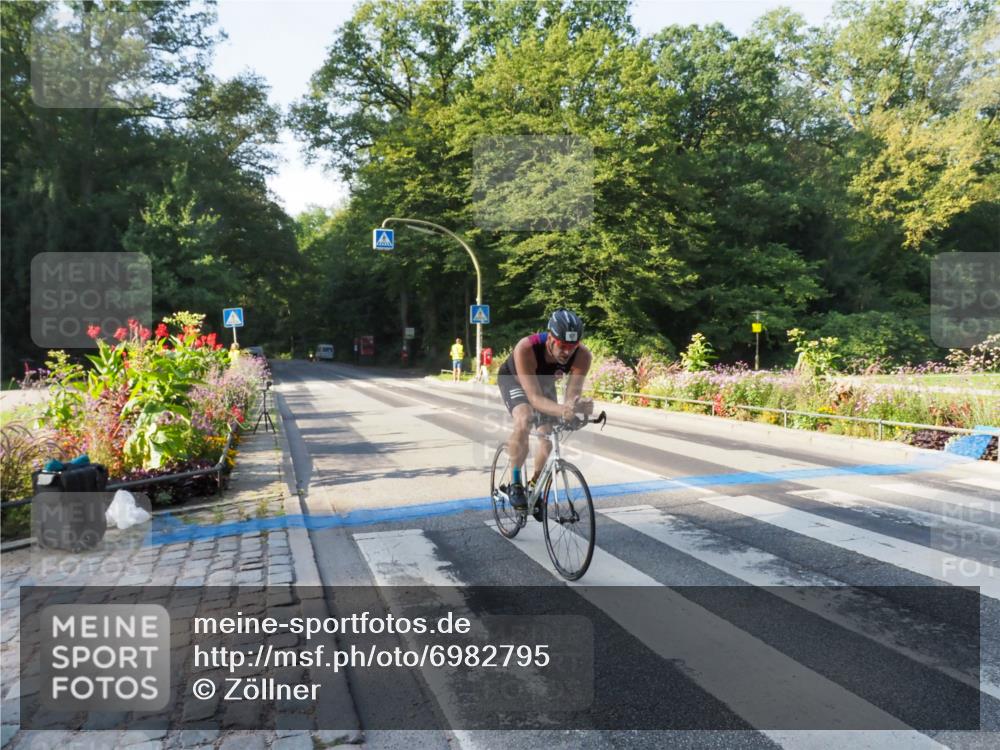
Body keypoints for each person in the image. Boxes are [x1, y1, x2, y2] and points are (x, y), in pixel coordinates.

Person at [497, 309, 594, 511]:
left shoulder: (582, 356)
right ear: (550, 338)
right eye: (563, 346)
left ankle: (535, 486)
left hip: (544, 382)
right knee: (525, 418)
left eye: (573, 346)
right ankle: (515, 482)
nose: (567, 352)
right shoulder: (526, 348)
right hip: (514, 380)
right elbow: (533, 398)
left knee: (548, 434)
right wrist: (562, 409)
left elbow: (571, 396)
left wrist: (576, 406)